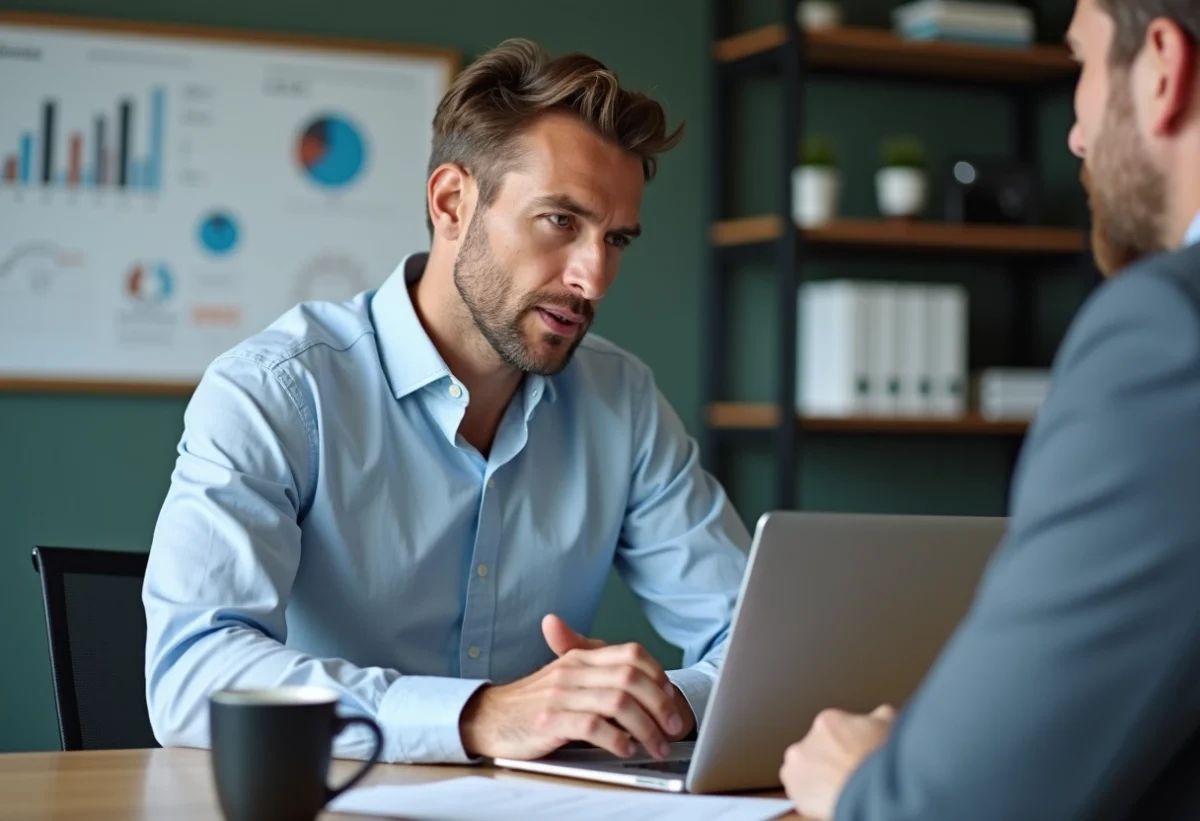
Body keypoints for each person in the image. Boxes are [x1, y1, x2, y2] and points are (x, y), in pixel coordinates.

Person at [142, 38, 750, 766]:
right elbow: (193, 671)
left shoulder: (623, 403)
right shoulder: (276, 390)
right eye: (561, 221)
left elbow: (756, 638)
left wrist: (667, 702)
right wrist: (478, 715)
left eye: (615, 238)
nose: (594, 277)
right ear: (452, 202)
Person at [777, 1, 1200, 819]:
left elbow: (950, 806)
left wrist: (864, 780)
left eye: (1081, 63)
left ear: (1161, 66)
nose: (1075, 137)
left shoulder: (1167, 330)